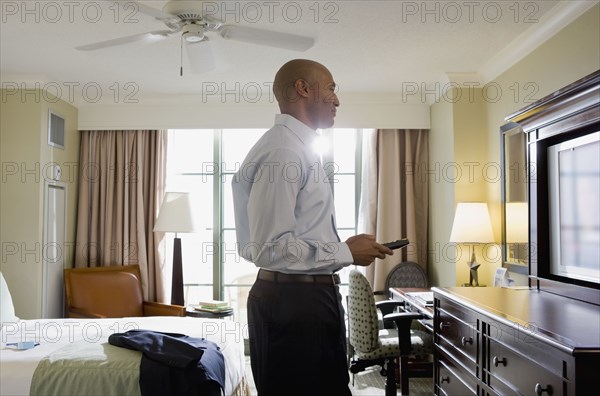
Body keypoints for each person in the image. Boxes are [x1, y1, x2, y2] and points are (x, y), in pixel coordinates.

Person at [232, 59, 393, 396]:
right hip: (293, 304)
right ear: (303, 89)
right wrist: (345, 251)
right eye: (331, 88)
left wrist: (346, 247)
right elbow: (270, 246)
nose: (337, 99)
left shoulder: (299, 148)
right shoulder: (282, 151)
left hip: (307, 298)